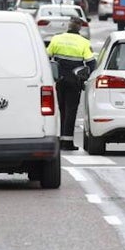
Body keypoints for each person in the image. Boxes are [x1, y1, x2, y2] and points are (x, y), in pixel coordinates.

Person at [46, 16, 95, 150]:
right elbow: (91, 63)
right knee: (71, 111)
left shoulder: (57, 39)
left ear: (68, 26)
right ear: (79, 27)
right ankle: (67, 142)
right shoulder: (84, 42)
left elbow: (47, 56)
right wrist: (86, 78)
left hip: (59, 80)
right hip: (74, 81)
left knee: (62, 110)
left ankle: (62, 140)